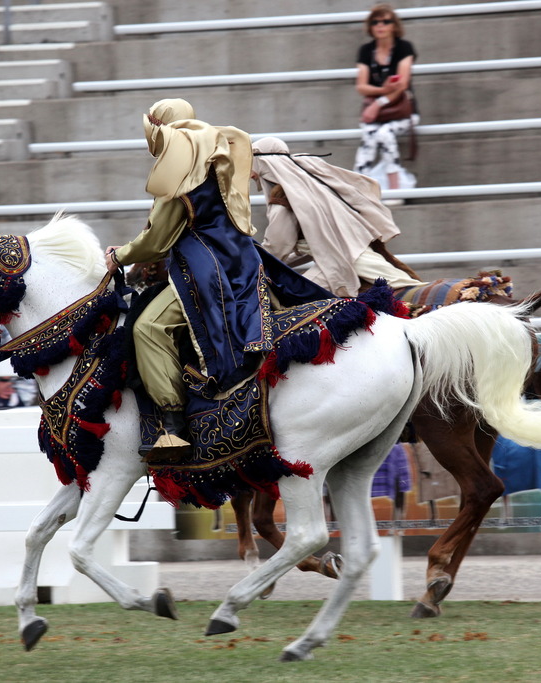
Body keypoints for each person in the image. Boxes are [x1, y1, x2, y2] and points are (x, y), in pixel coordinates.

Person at [104, 99, 331, 456]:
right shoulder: (215, 154)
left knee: (147, 327)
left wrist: (119, 256)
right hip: (239, 258)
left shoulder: (181, 165)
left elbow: (157, 239)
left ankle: (173, 423)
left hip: (204, 266)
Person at [252, 136, 423, 297]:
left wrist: (248, 264)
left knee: (288, 300)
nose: (251, 174)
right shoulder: (311, 188)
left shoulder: (282, 196)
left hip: (340, 262)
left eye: (251, 165)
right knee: (406, 286)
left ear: (263, 163)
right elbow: (317, 243)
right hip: (347, 255)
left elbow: (278, 245)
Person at [354, 4, 418, 195]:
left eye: (386, 21)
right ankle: (357, 191)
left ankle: (395, 189)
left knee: (384, 134)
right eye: (375, 22)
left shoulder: (404, 47)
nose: (380, 26)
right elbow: (361, 85)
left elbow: (403, 84)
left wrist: (378, 102)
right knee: (368, 137)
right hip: (377, 115)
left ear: (394, 25)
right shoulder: (366, 50)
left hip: (402, 112)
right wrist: (384, 89)